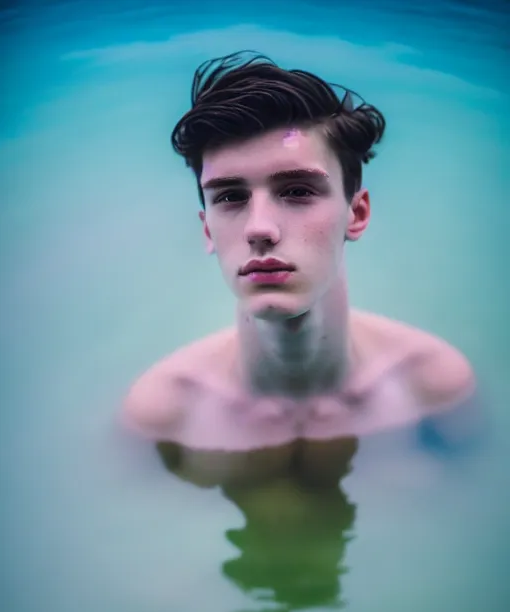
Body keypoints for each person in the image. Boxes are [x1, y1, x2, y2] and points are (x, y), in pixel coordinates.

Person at [122, 51, 476, 488]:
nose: (260, 229)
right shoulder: (167, 411)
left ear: (357, 213)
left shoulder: (429, 383)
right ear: (208, 230)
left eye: (297, 190)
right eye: (230, 197)